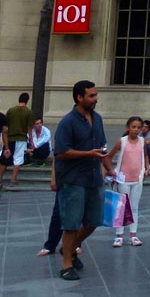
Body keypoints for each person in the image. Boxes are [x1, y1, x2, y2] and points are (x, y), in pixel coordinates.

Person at [53, 80, 109, 281]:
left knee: (94, 220)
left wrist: (107, 167)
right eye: (91, 96)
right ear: (79, 97)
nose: (95, 99)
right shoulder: (68, 121)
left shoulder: (97, 119)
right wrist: (88, 154)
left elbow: (101, 145)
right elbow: (61, 152)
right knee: (71, 223)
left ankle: (69, 249)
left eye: (95, 95)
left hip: (94, 177)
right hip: (73, 179)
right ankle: (67, 264)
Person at [107, 115, 150, 247]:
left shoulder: (142, 141)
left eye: (138, 127)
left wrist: (147, 168)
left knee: (134, 207)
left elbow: (145, 155)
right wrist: (112, 171)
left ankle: (133, 234)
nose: (136, 130)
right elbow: (109, 156)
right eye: (133, 127)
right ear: (128, 128)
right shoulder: (122, 141)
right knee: (121, 207)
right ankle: (119, 235)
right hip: (123, 178)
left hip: (137, 178)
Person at [0, 92, 34, 188]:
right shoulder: (29, 112)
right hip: (21, 138)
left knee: (4, 158)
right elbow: (29, 128)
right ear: (27, 100)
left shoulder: (11, 110)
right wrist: (31, 140)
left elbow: (5, 126)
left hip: (9, 138)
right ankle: (13, 178)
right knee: (18, 159)